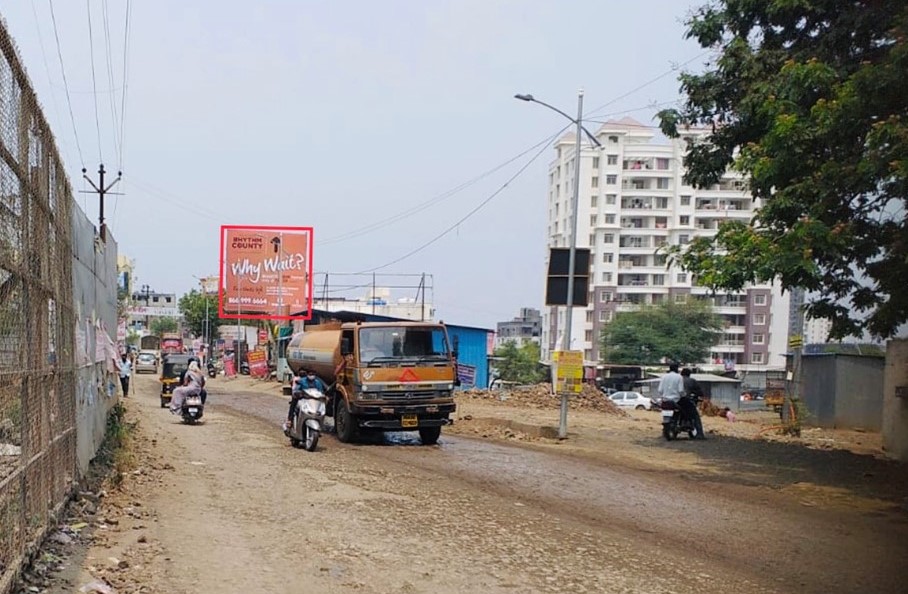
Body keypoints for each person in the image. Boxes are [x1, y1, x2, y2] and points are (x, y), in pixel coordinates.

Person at [680, 368, 706, 440]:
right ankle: (700, 433)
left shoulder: (677, 380)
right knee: (695, 416)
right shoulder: (691, 381)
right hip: (685, 401)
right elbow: (699, 391)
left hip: (674, 400)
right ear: (689, 374)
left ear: (681, 373)